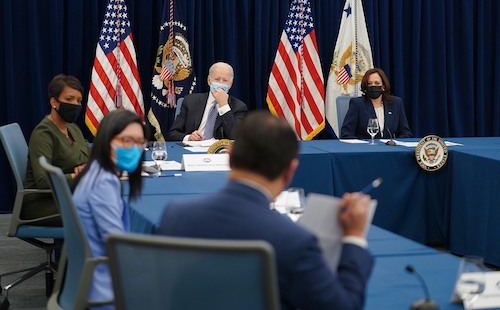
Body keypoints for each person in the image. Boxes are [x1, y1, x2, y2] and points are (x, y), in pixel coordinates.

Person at [157, 111, 374, 310]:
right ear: (290, 172)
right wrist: (354, 238)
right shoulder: (295, 242)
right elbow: (343, 306)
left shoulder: (175, 216)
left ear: (230, 158)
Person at [72, 109, 147, 306]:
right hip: (106, 285)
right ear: (107, 140)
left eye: (140, 143)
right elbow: (117, 246)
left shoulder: (95, 171)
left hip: (90, 275)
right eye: (127, 140)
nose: (134, 149)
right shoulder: (104, 182)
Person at [23, 74, 90, 226]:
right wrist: (76, 176)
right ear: (54, 102)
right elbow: (43, 181)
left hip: (68, 195)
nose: (75, 104)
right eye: (69, 99)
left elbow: (88, 154)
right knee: (101, 209)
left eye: (78, 101)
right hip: (42, 203)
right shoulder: (43, 133)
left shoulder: (72, 128)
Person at [167, 62, 247, 142]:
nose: (220, 84)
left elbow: (236, 137)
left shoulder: (239, 106)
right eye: (217, 79)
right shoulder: (190, 101)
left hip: (218, 151)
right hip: (193, 149)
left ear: (230, 84)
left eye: (225, 80)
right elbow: (173, 134)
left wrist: (224, 106)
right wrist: (189, 138)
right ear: (209, 81)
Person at [341, 68, 412, 139]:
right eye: (369, 83)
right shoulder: (357, 104)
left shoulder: (396, 103)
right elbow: (346, 133)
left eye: (377, 83)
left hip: (390, 148)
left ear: (383, 87)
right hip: (366, 148)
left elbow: (406, 132)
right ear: (366, 86)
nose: (373, 86)